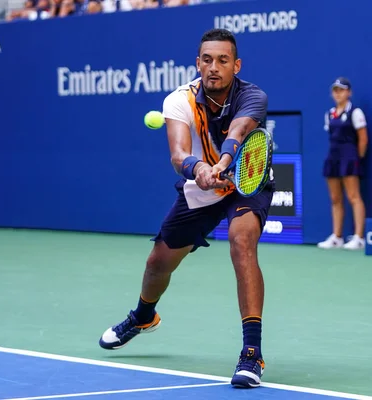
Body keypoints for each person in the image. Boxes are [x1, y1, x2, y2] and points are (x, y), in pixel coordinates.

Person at [98, 28, 272, 388]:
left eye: (223, 60)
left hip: (244, 179)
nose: (214, 67)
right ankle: (144, 316)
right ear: (197, 63)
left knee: (242, 243)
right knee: (157, 262)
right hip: (203, 187)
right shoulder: (179, 100)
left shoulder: (253, 96)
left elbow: (238, 131)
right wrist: (201, 170)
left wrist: (223, 162)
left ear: (235, 65)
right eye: (207, 60)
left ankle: (251, 354)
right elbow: (178, 153)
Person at [317, 77, 368, 250]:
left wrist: (357, 159)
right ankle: (337, 237)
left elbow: (363, 139)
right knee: (335, 198)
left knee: (354, 197)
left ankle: (359, 237)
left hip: (350, 157)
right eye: (335, 90)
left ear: (349, 92)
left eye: (342, 90)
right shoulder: (329, 114)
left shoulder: (356, 112)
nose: (338, 93)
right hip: (333, 157)